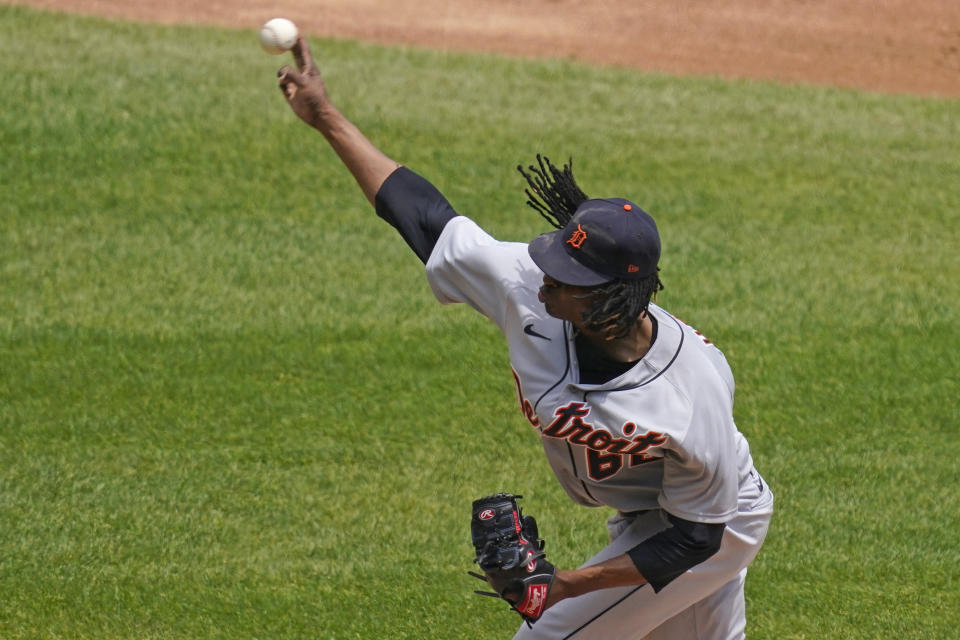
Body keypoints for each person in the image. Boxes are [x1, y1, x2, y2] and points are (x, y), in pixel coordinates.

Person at [276, 36, 774, 640]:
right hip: (649, 520)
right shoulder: (526, 282)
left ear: (616, 299)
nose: (547, 285)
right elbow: (426, 220)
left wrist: (564, 585)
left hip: (712, 528)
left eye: (569, 282)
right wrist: (326, 118)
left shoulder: (692, 393)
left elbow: (697, 539)